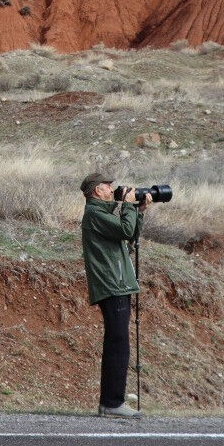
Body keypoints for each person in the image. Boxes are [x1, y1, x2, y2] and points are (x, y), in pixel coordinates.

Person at [79, 171, 154, 419]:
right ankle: (112, 402)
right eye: (107, 186)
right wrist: (128, 206)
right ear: (96, 191)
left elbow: (129, 234)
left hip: (117, 282)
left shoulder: (101, 214)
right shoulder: (95, 214)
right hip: (112, 284)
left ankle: (111, 402)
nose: (113, 189)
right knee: (118, 342)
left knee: (117, 342)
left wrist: (138, 210)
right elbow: (124, 229)